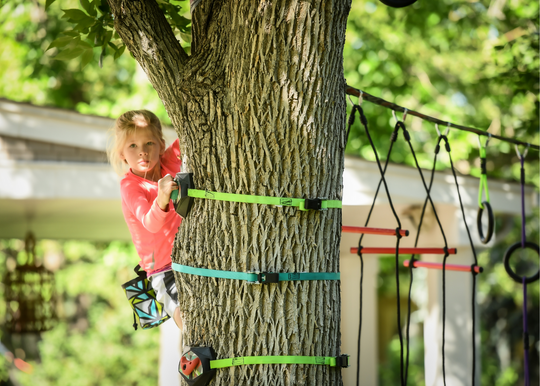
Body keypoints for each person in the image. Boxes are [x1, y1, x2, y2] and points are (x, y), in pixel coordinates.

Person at [108, 109, 183, 329]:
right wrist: (161, 197)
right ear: (122, 154)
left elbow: (191, 138)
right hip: (164, 269)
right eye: (133, 146)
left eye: (149, 143)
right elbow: (150, 222)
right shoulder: (131, 186)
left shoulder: (169, 161)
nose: (143, 152)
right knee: (185, 315)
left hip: (192, 258)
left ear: (161, 145)